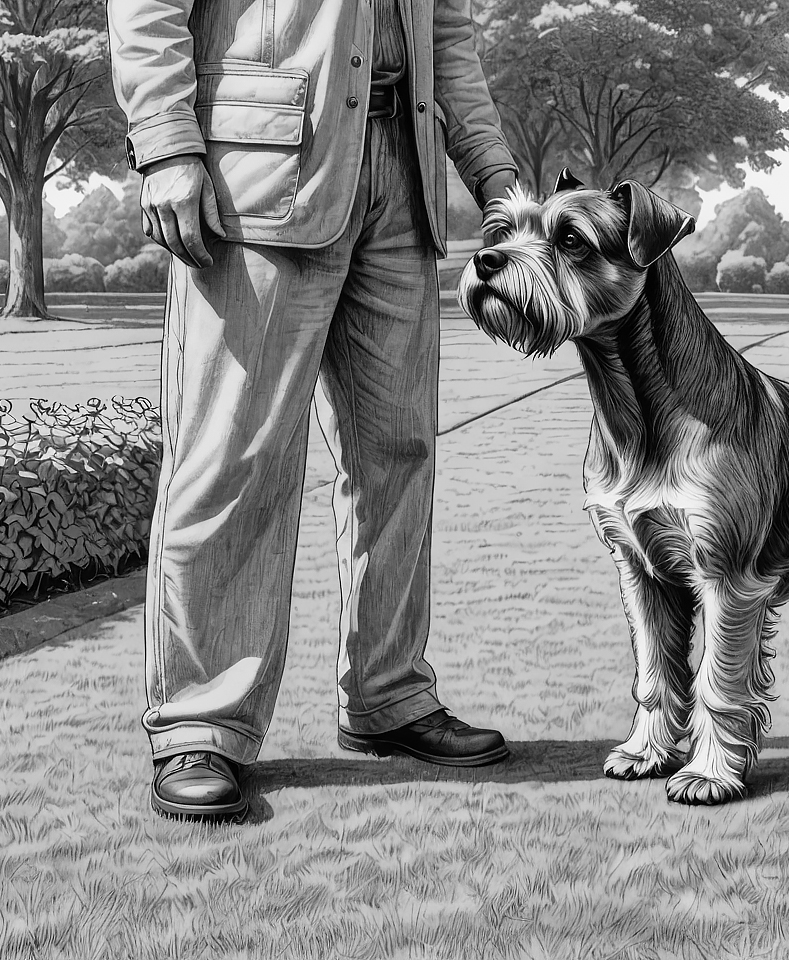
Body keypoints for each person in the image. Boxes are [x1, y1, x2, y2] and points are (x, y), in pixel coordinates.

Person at [108, 0, 519, 821]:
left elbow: (448, 32)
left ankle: (388, 694)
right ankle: (200, 722)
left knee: (398, 455)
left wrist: (496, 176)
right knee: (234, 457)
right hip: (257, 179)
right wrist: (167, 145)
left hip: (402, 182)